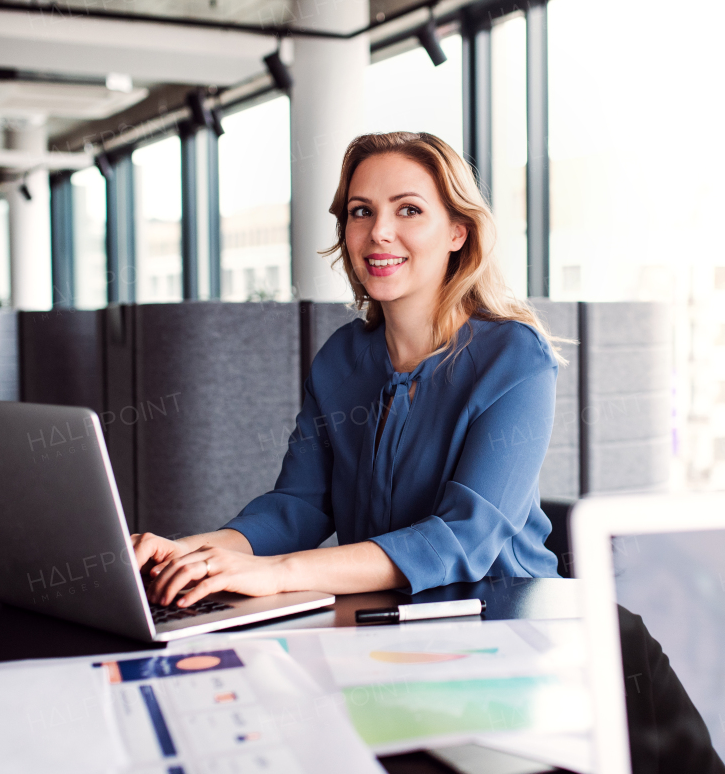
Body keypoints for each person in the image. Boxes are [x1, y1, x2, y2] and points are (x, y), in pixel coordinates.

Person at [134, 132, 563, 606]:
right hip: (385, 619)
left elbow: (463, 538)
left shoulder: (514, 357)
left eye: (409, 210)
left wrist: (277, 574)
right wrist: (193, 551)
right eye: (362, 211)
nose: (379, 231)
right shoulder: (341, 357)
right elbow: (298, 507)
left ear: (458, 232)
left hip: (508, 620)